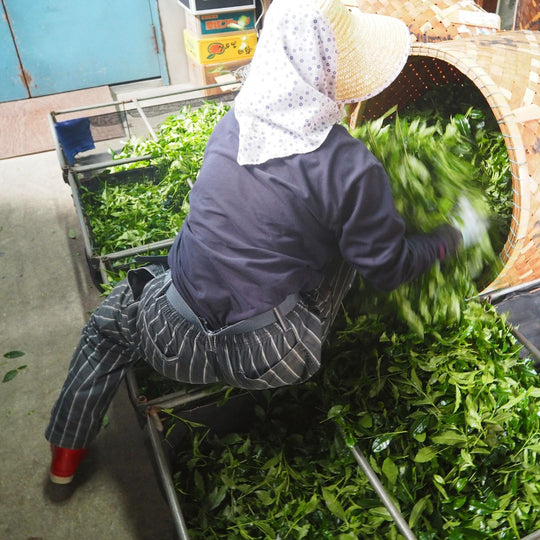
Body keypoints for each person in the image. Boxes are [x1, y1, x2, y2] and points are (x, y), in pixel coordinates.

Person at [45, 0, 467, 486]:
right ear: (333, 75)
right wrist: (446, 240)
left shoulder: (230, 126)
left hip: (170, 338)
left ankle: (65, 453)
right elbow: (387, 269)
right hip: (273, 357)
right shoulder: (351, 167)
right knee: (351, 250)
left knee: (106, 327)